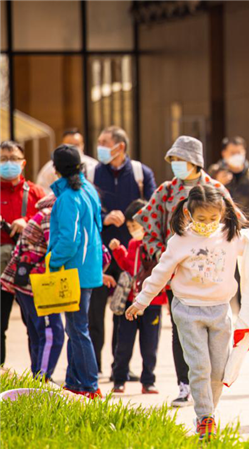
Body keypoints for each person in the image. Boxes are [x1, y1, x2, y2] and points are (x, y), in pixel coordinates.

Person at [129, 184, 249, 440]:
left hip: (220, 310)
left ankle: (207, 411)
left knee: (219, 371)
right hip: (188, 310)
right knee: (200, 367)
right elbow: (161, 273)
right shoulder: (179, 239)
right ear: (189, 214)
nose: (208, 223)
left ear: (222, 214)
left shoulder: (231, 235)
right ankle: (206, 418)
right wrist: (142, 300)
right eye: (201, 218)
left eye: (213, 218)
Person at [134, 135, 233, 408]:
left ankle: (207, 392)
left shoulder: (216, 189)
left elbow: (234, 228)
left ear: (195, 161)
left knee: (215, 352)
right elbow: (149, 226)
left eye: (181, 159)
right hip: (175, 276)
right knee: (181, 331)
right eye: (173, 160)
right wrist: (160, 253)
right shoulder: (165, 191)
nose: (176, 164)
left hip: (212, 278)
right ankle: (184, 384)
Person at [88, 126, 156, 378]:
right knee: (94, 311)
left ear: (120, 147)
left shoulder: (141, 173)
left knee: (124, 311)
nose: (101, 147)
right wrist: (105, 218)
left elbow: (153, 210)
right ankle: (93, 366)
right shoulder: (93, 173)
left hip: (132, 255)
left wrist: (131, 219)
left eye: (105, 142)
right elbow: (88, 210)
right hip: (100, 252)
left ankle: (121, 367)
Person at [48, 144, 104, 398]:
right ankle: (73, 383)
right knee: (76, 327)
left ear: (55, 169)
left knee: (78, 329)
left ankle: (90, 385)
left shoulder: (68, 198)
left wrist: (52, 261)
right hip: (89, 270)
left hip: (73, 272)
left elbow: (68, 240)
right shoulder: (88, 189)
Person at [0, 193, 64, 380]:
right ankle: (42, 380)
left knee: (39, 332)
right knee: (53, 333)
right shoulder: (50, 215)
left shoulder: (46, 213)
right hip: (34, 283)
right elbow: (58, 248)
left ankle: (38, 377)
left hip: (26, 282)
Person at [108, 199, 166, 395]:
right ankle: (119, 379)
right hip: (130, 302)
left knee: (150, 345)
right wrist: (118, 250)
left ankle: (148, 380)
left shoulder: (159, 245)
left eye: (135, 225)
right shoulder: (133, 244)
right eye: (130, 227)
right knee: (124, 343)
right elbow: (126, 265)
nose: (133, 230)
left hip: (153, 302)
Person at [0, 140, 46, 365]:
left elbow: (51, 219)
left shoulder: (36, 192)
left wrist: (26, 221)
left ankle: (39, 376)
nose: (8, 163)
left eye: (13, 159)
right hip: (1, 271)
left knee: (36, 325)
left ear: (23, 162)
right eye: (3, 159)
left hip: (31, 268)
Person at [208, 136, 249, 231]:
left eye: (239, 152)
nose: (236, 156)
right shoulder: (215, 172)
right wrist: (218, 184)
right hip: (221, 229)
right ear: (224, 153)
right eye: (232, 153)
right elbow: (206, 200)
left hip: (247, 229)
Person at [35, 128, 99, 193]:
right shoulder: (50, 168)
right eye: (69, 144)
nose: (73, 148)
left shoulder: (94, 165)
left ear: (83, 145)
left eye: (77, 144)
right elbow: (42, 190)